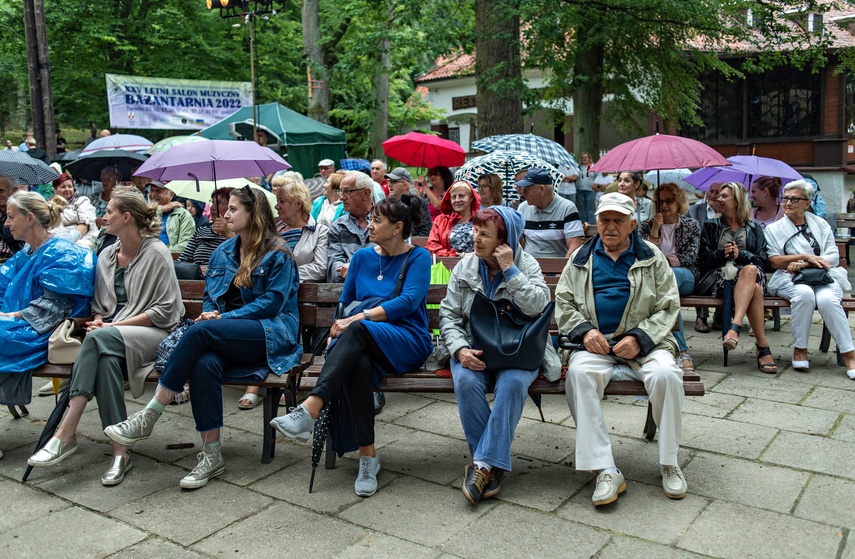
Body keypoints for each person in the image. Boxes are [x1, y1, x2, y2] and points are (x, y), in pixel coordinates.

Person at [103, 186, 301, 488]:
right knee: (204, 363)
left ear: (253, 214)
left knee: (201, 331)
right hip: (224, 337)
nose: (226, 214)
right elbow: (211, 296)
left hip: (270, 334)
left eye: (233, 209)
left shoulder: (278, 252)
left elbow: (272, 303)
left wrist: (221, 319)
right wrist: (210, 313)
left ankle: (150, 414)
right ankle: (211, 455)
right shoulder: (224, 251)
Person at [270, 195, 431, 497]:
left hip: (406, 339)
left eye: (377, 221)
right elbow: (345, 304)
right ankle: (368, 457)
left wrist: (359, 318)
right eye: (371, 219)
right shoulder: (362, 257)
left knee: (357, 329)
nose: (370, 226)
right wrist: (337, 330)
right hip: (363, 340)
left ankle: (311, 406)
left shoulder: (418, 257)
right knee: (358, 365)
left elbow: (408, 302)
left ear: (398, 227)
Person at [27, 191, 182, 486]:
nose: (104, 216)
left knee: (98, 340)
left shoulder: (157, 252)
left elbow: (164, 311)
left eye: (110, 211)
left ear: (127, 217)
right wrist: (101, 321)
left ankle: (65, 432)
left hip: (155, 334)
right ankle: (120, 453)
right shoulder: (108, 254)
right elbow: (100, 306)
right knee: (106, 361)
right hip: (111, 338)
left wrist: (111, 326)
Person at [555, 192, 686, 506]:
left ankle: (669, 462)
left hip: (646, 343)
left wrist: (640, 338)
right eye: (604, 220)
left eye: (617, 220)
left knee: (667, 375)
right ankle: (605, 468)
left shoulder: (651, 256)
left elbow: (669, 306)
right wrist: (585, 332)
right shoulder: (581, 257)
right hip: (596, 343)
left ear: (632, 225)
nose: (610, 226)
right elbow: (564, 303)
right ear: (596, 223)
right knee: (579, 374)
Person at [440, 206, 560, 505]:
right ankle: (492, 465)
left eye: (484, 234)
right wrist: (460, 349)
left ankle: (481, 465)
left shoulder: (526, 265)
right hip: (474, 346)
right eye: (475, 231)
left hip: (519, 350)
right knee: (466, 381)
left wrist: (511, 271)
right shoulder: (465, 266)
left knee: (513, 384)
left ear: (505, 241)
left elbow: (538, 306)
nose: (475, 238)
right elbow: (449, 316)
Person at [0, 192, 95, 407]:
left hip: (44, 332)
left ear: (29, 218)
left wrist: (7, 315)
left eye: (11, 217)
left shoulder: (62, 253)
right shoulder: (28, 251)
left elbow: (53, 311)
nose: (6, 223)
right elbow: (3, 285)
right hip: (24, 325)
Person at [765, 180, 855, 378]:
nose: (788, 203)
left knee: (827, 300)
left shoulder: (820, 224)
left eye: (794, 199)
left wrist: (804, 264)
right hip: (790, 278)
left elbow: (832, 256)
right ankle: (800, 350)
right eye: (785, 199)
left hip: (823, 276)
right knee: (804, 295)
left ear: (807, 203)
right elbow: (774, 260)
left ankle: (849, 355)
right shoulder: (774, 229)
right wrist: (803, 258)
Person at [698, 182, 776, 373]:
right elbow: (702, 261)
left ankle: (735, 326)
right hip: (722, 279)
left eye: (724, 196)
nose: (718, 199)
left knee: (750, 270)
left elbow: (763, 261)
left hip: (752, 275)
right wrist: (721, 254)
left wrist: (740, 255)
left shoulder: (753, 228)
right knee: (754, 289)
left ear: (737, 201)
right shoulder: (710, 226)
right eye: (719, 196)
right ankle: (762, 347)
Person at [639, 183, 700, 371]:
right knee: (669, 294)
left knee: (670, 278)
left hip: (684, 275)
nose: (664, 205)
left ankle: (679, 349)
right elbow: (642, 255)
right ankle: (681, 351)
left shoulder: (691, 225)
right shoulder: (647, 225)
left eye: (669, 200)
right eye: (659, 202)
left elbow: (690, 256)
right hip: (657, 280)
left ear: (679, 202)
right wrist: (654, 231)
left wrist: (663, 263)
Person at [516, 168, 584, 257]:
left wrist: (563, 266)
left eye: (526, 190)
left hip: (556, 264)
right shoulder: (523, 207)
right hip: (528, 264)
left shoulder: (567, 208)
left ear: (542, 189)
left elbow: (574, 247)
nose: (523, 194)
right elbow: (516, 241)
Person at [327, 172, 376, 283]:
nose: (341, 197)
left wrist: (354, 268)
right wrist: (345, 271)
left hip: (380, 287)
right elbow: (334, 267)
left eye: (347, 191)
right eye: (340, 191)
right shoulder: (338, 226)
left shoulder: (386, 222)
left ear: (366, 193)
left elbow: (390, 261)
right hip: (347, 287)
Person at [177, 187, 235, 277]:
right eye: (212, 202)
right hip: (197, 280)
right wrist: (197, 270)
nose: (212, 208)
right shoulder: (203, 230)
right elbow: (183, 260)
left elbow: (241, 260)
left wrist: (227, 233)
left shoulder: (239, 232)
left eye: (218, 203)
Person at [689, 182, 723, 332]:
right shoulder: (694, 210)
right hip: (700, 257)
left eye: (718, 192)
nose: (714, 195)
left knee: (727, 271)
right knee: (701, 269)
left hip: (721, 258)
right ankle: (701, 317)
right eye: (711, 191)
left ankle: (720, 316)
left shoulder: (729, 214)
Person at [425, 180, 480, 257]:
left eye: (461, 196)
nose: (457, 200)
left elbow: (487, 245)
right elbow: (432, 246)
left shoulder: (481, 220)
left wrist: (474, 255)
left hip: (477, 262)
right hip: (448, 263)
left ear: (471, 198)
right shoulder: (441, 220)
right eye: (453, 197)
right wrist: (454, 255)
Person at [48, 173, 98, 250]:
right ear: (55, 189)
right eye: (63, 187)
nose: (67, 189)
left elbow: (84, 226)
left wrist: (67, 243)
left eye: (70, 186)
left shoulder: (82, 201)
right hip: (57, 242)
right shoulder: (49, 206)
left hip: (82, 240)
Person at [147, 181, 195, 253]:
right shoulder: (145, 213)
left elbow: (185, 244)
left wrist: (163, 254)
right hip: (147, 255)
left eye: (158, 191)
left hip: (171, 257)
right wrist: (160, 210)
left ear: (171, 195)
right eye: (152, 190)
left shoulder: (183, 215)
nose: (153, 194)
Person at [386, 167, 431, 237]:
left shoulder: (420, 203)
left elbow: (425, 230)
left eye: (394, 181)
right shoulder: (386, 205)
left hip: (416, 241)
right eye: (389, 181)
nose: (389, 185)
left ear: (405, 185)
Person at [0, 175, 25, 260]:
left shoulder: (20, 210)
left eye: (1, 191)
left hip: (13, 259)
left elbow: (10, 236)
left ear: (14, 191)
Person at [574, 152, 598, 225]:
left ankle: (592, 225)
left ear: (589, 158)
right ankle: (583, 225)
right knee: (581, 210)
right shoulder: (577, 167)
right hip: (580, 190)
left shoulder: (594, 167)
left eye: (586, 157)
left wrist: (596, 184)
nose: (584, 159)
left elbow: (598, 177)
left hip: (591, 191)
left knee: (590, 209)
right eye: (583, 157)